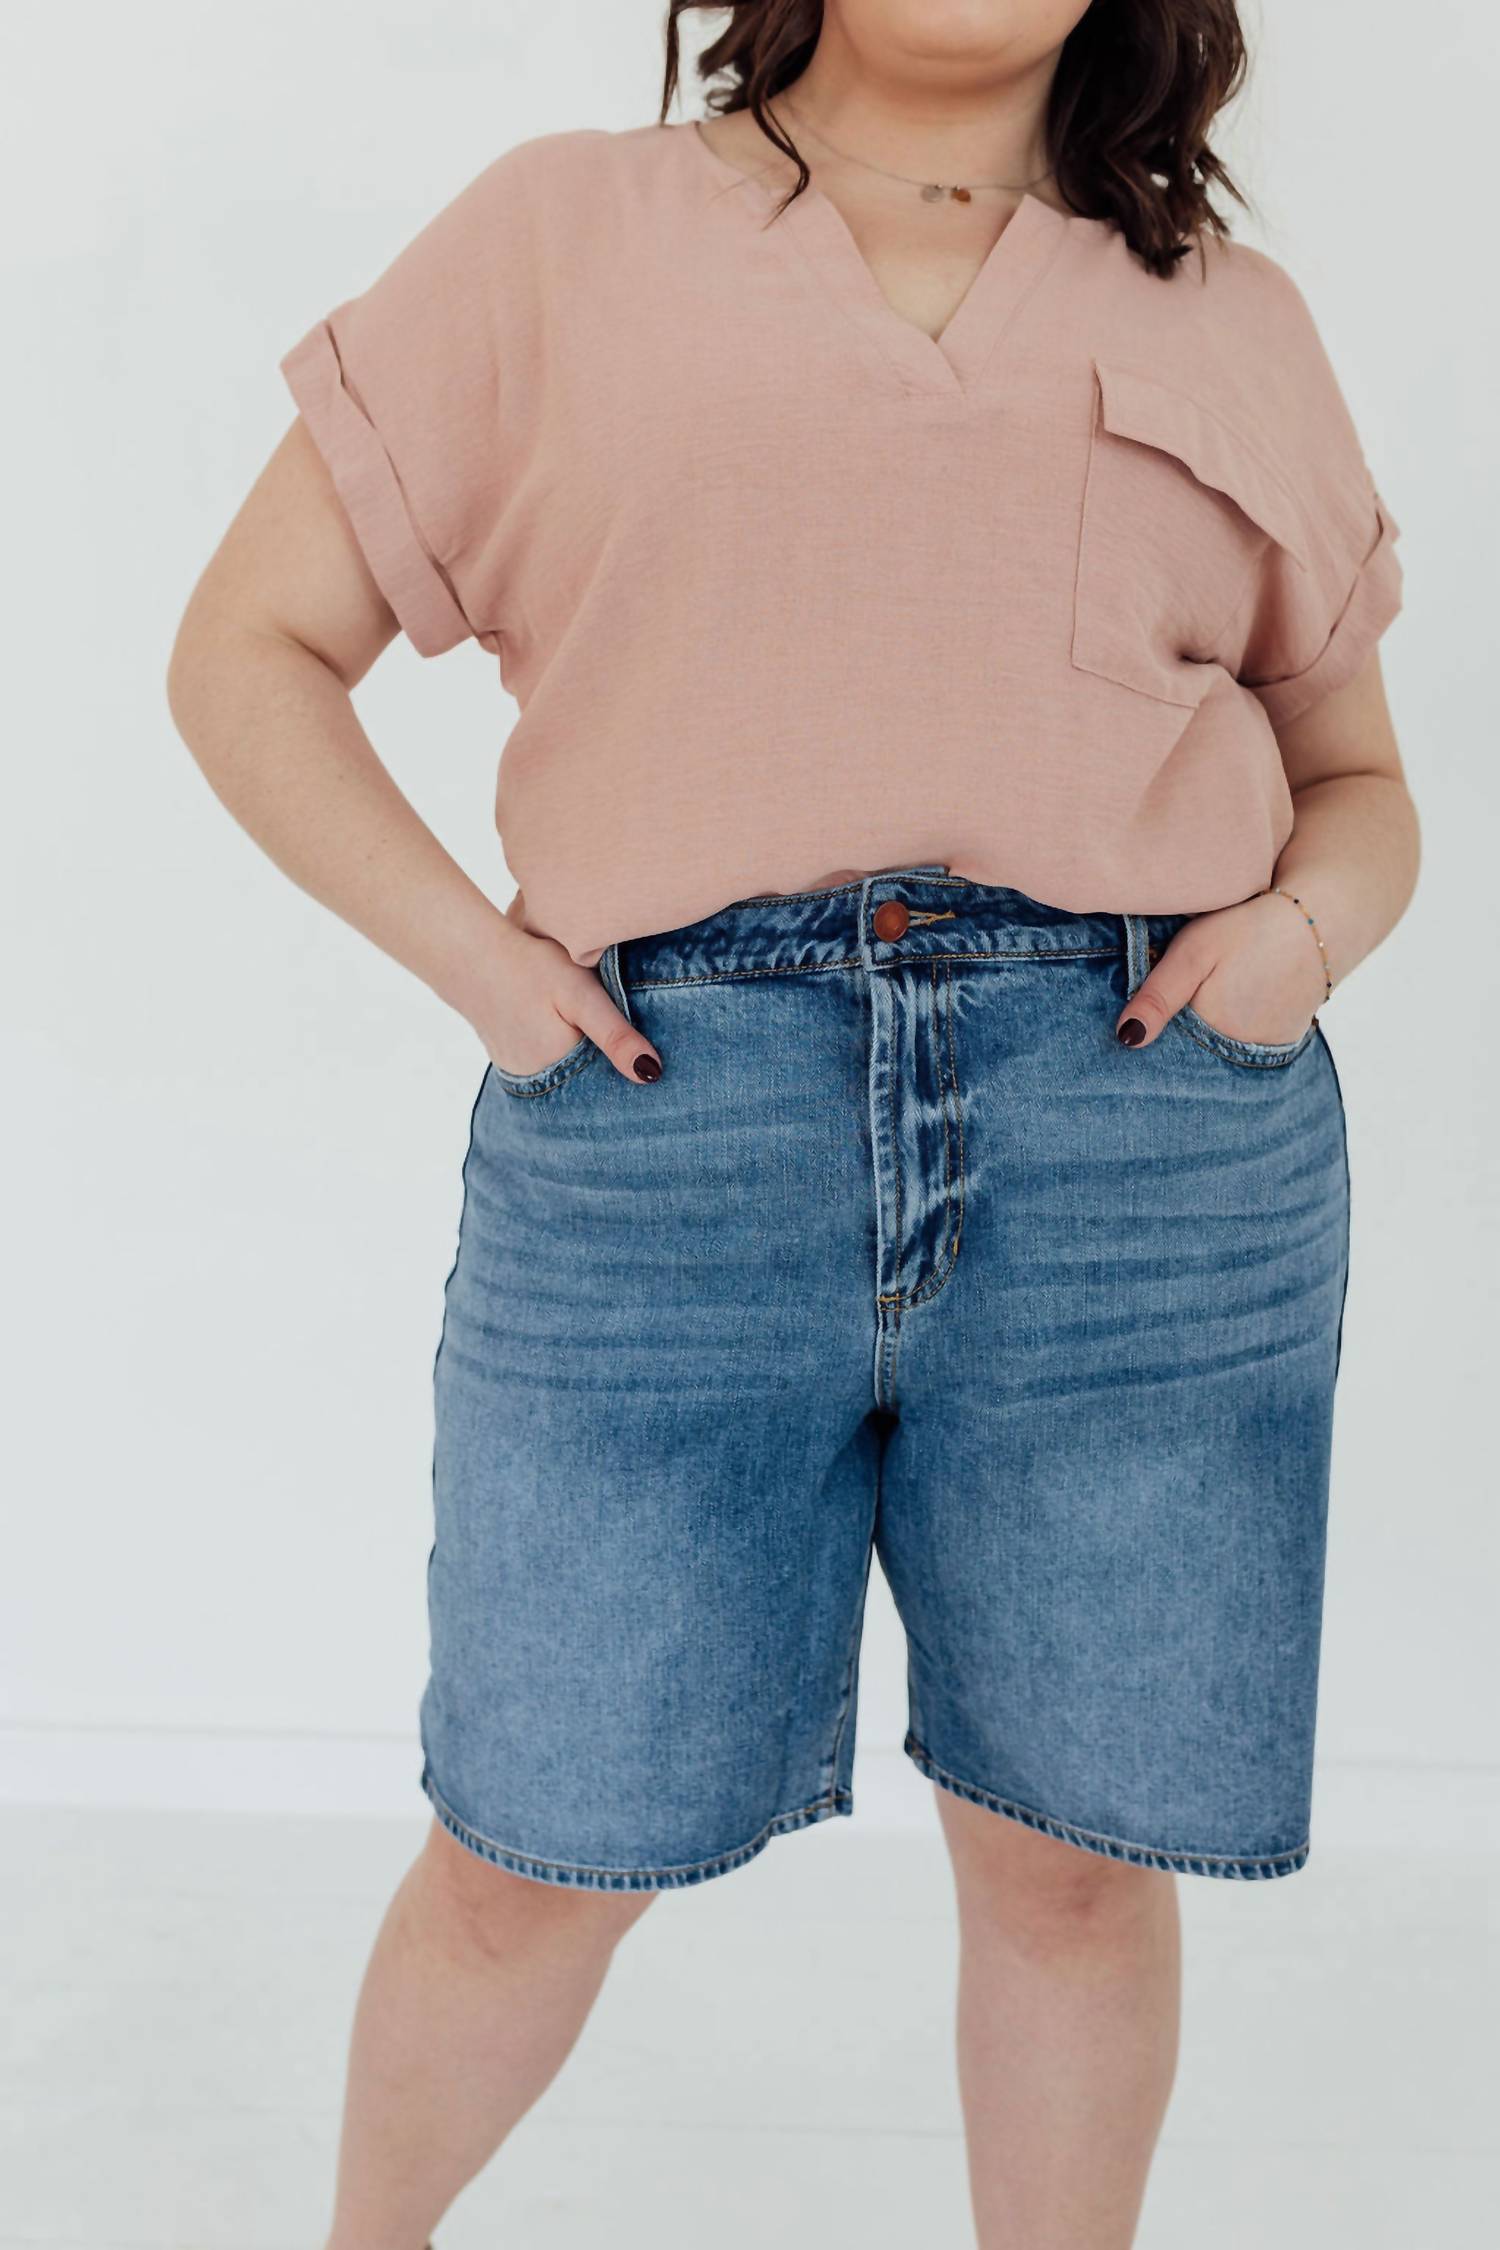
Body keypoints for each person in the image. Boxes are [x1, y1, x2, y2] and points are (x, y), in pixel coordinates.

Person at [166, 3, 1419, 2244]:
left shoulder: (1225, 310)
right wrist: (483, 967)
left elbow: (1360, 780)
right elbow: (248, 645)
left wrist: (1298, 944)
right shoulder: (562, 232)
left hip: (1143, 1148)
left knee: (1072, 1866)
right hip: (665, 1142)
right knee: (532, 1850)